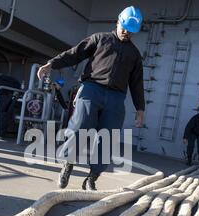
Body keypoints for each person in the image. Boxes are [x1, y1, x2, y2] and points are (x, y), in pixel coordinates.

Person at [37, 6, 145, 191]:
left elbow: (136, 83)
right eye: (124, 28)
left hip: (116, 97)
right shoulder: (100, 39)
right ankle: (68, 165)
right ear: (118, 21)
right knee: (79, 129)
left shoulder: (134, 55)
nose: (126, 33)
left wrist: (140, 110)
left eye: (131, 31)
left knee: (108, 138)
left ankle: (92, 177)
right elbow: (74, 54)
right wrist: (51, 64)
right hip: (91, 89)